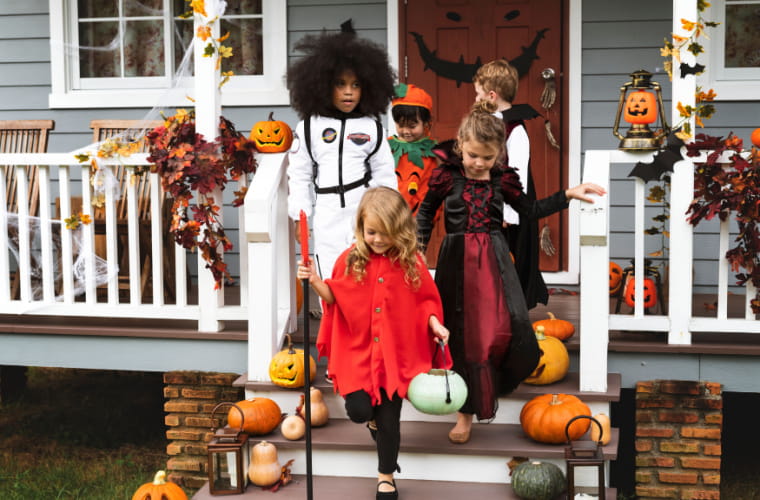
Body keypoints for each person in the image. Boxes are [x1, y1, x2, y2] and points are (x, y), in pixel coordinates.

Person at [416, 100, 605, 444]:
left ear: (498, 155)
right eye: (473, 155)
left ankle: (490, 389)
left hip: (493, 263)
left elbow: (530, 209)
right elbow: (426, 214)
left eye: (487, 158)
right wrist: (415, 252)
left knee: (493, 332)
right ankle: (464, 412)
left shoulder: (503, 179)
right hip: (455, 264)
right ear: (461, 146)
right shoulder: (447, 175)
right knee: (460, 335)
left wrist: (568, 195)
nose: (479, 163)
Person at [298, 187, 451, 500]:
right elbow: (335, 298)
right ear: (361, 227)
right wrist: (314, 280)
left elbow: (425, 303)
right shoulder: (349, 260)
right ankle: (371, 423)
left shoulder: (411, 263)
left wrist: (436, 324)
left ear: (400, 232)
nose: (378, 240)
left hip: (394, 356)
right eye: (371, 232)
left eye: (386, 234)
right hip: (357, 352)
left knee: (390, 421)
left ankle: (386, 477)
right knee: (358, 410)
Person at [287, 21, 398, 281]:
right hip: (326, 211)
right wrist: (299, 217)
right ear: (323, 84)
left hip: (363, 212)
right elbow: (300, 174)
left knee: (364, 274)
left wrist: (388, 214)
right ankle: (332, 320)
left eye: (356, 85)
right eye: (340, 84)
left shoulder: (372, 127)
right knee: (330, 273)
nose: (349, 92)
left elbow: (384, 174)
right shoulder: (309, 127)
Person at [473, 59, 547, 309]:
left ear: (491, 95)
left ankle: (513, 314)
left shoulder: (515, 130)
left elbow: (517, 174)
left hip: (509, 210)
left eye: (478, 93)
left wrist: (507, 212)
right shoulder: (487, 123)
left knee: (509, 262)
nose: (475, 98)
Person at [388, 83, 437, 216]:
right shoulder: (385, 148)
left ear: (426, 123)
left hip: (416, 222)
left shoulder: (433, 155)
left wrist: (426, 221)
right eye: (400, 125)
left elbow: (433, 192)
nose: (406, 131)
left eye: (412, 126)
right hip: (387, 217)